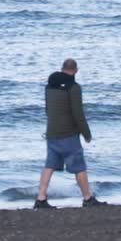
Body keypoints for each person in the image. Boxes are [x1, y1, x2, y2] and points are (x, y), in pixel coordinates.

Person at [34, 58, 106, 208]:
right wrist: (86, 133)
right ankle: (87, 198)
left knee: (49, 165)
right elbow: (77, 114)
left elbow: (48, 109)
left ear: (61, 68)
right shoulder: (74, 88)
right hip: (69, 134)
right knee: (79, 166)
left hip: (52, 132)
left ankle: (40, 198)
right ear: (76, 71)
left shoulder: (49, 86)